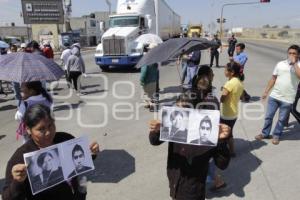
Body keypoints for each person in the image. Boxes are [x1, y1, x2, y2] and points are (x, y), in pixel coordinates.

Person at [2, 104, 100, 200]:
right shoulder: (19, 158)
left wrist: (91, 153)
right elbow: (7, 197)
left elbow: (79, 162)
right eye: (41, 129)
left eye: (50, 125)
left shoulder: (65, 139)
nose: (48, 132)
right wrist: (17, 181)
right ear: (28, 129)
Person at [149, 93, 231, 200]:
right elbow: (154, 141)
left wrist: (221, 141)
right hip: (174, 185)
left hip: (193, 192)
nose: (179, 115)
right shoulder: (175, 127)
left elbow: (222, 164)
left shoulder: (207, 133)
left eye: (184, 111)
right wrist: (156, 131)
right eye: (177, 109)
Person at [255, 45, 300, 145]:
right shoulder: (280, 64)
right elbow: (273, 78)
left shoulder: (299, 65)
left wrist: (294, 64)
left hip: (288, 98)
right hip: (274, 96)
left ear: (298, 55)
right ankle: (265, 133)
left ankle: (276, 135)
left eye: (294, 53)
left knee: (281, 119)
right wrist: (266, 91)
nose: (291, 55)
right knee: (268, 116)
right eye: (290, 53)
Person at [220, 62, 244, 156]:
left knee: (226, 133)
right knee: (229, 132)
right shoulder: (239, 82)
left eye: (226, 70)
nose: (224, 71)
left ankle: (231, 151)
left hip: (227, 113)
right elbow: (241, 97)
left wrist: (224, 91)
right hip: (234, 113)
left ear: (232, 72)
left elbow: (222, 99)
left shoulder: (229, 83)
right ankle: (231, 150)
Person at [140, 44, 159, 112]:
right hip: (153, 80)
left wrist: (141, 80)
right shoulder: (156, 58)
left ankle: (151, 106)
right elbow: (157, 71)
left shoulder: (146, 59)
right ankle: (148, 104)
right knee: (151, 95)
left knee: (147, 94)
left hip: (147, 81)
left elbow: (144, 71)